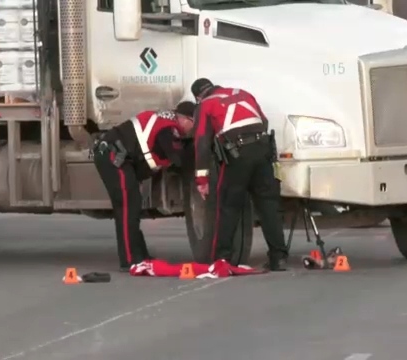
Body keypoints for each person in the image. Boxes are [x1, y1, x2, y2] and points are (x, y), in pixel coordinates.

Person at [190, 78, 288, 271]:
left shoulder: (206, 104)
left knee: (228, 206)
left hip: (237, 154)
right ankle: (279, 258)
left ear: (198, 97)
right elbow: (264, 121)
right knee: (268, 206)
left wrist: (202, 179)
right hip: (263, 150)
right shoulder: (242, 93)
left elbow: (201, 142)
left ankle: (223, 258)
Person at [93, 102, 196, 272]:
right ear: (184, 119)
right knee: (128, 208)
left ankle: (140, 255)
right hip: (113, 155)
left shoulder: (166, 123)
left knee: (132, 208)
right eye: (194, 122)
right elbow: (177, 158)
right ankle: (129, 259)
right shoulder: (167, 129)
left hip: (121, 157)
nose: (193, 128)